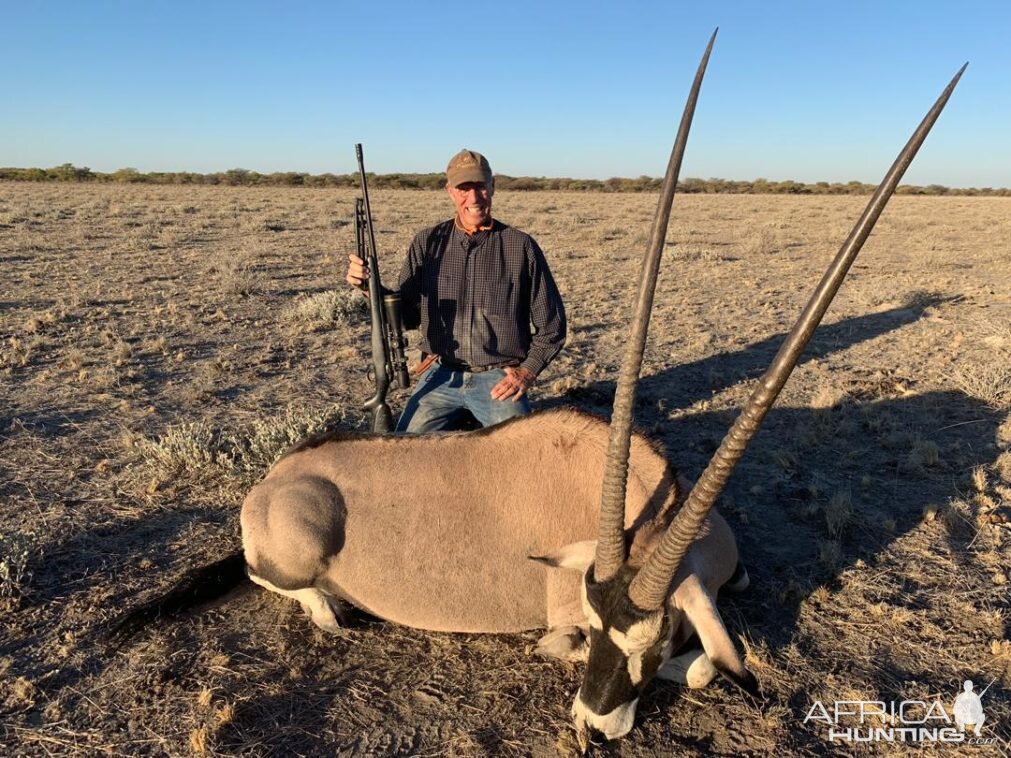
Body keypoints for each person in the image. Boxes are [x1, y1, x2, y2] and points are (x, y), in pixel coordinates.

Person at [346, 148, 566, 432]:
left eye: (480, 187)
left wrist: (525, 373)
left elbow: (553, 326)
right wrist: (369, 287)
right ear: (450, 191)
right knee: (403, 454)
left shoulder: (520, 246)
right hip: (440, 373)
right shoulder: (427, 242)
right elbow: (407, 317)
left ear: (493, 187)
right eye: (464, 188)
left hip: (498, 378)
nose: (473, 199)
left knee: (522, 459)